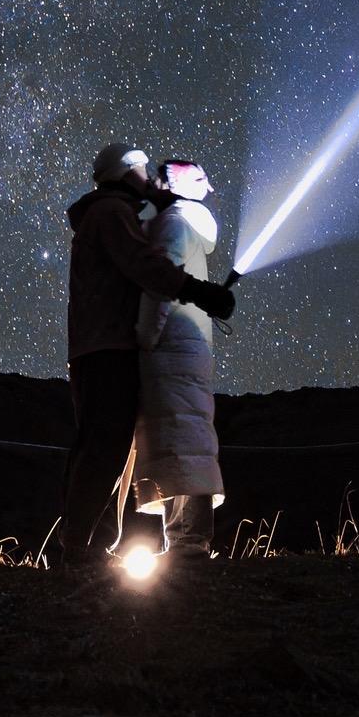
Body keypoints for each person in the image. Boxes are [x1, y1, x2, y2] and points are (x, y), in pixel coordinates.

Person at [59, 144, 235, 567]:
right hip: (107, 348)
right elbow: (145, 266)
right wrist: (198, 291)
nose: (151, 179)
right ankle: (81, 549)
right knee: (104, 447)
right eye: (142, 169)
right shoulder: (111, 213)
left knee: (105, 446)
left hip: (99, 346)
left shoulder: (111, 213)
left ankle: (85, 546)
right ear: (125, 173)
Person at [131, 157, 227, 559]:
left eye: (158, 180)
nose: (151, 184)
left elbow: (160, 285)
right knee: (187, 437)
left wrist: (145, 336)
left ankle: (186, 543)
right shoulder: (186, 223)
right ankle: (187, 541)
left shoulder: (174, 223)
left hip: (170, 345)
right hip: (188, 346)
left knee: (177, 437)